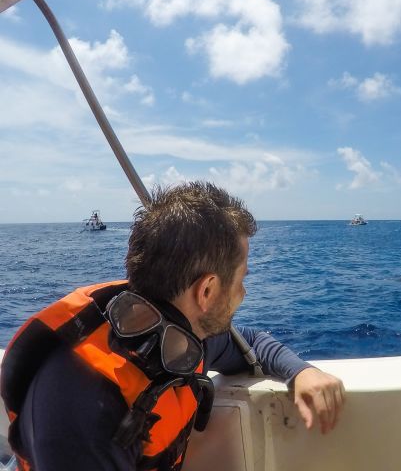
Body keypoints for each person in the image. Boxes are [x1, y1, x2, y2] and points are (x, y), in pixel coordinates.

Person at [1, 182, 345, 470]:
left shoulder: (182, 333)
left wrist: (301, 372)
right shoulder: (83, 407)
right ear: (207, 290)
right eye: (241, 279)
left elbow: (250, 343)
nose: (244, 291)